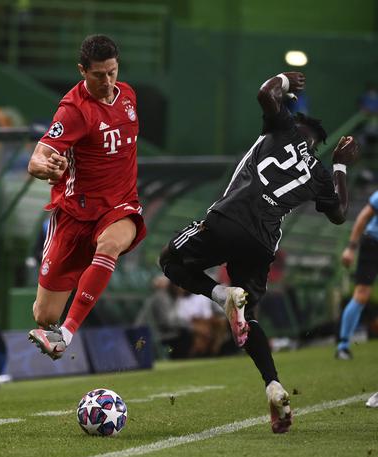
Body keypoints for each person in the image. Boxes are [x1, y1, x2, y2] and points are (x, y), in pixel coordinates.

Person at [158, 71, 358, 434]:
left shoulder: (283, 129)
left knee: (169, 259)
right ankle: (273, 384)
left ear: (295, 124)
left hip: (229, 218)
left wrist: (283, 80)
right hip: (263, 243)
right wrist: (341, 163)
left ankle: (221, 295)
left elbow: (265, 93)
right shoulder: (319, 174)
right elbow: (340, 214)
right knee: (246, 318)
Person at [26, 34, 146, 360]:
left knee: (110, 244)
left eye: (112, 72)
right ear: (82, 70)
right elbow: (37, 157)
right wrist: (47, 166)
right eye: (98, 75)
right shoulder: (74, 111)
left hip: (120, 205)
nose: (107, 81)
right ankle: (60, 319)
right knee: (44, 315)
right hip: (75, 213)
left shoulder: (129, 97)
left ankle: (66, 333)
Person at [336, 190, 378, 359]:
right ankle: (343, 346)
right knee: (361, 294)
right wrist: (351, 249)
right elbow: (362, 217)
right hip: (373, 244)